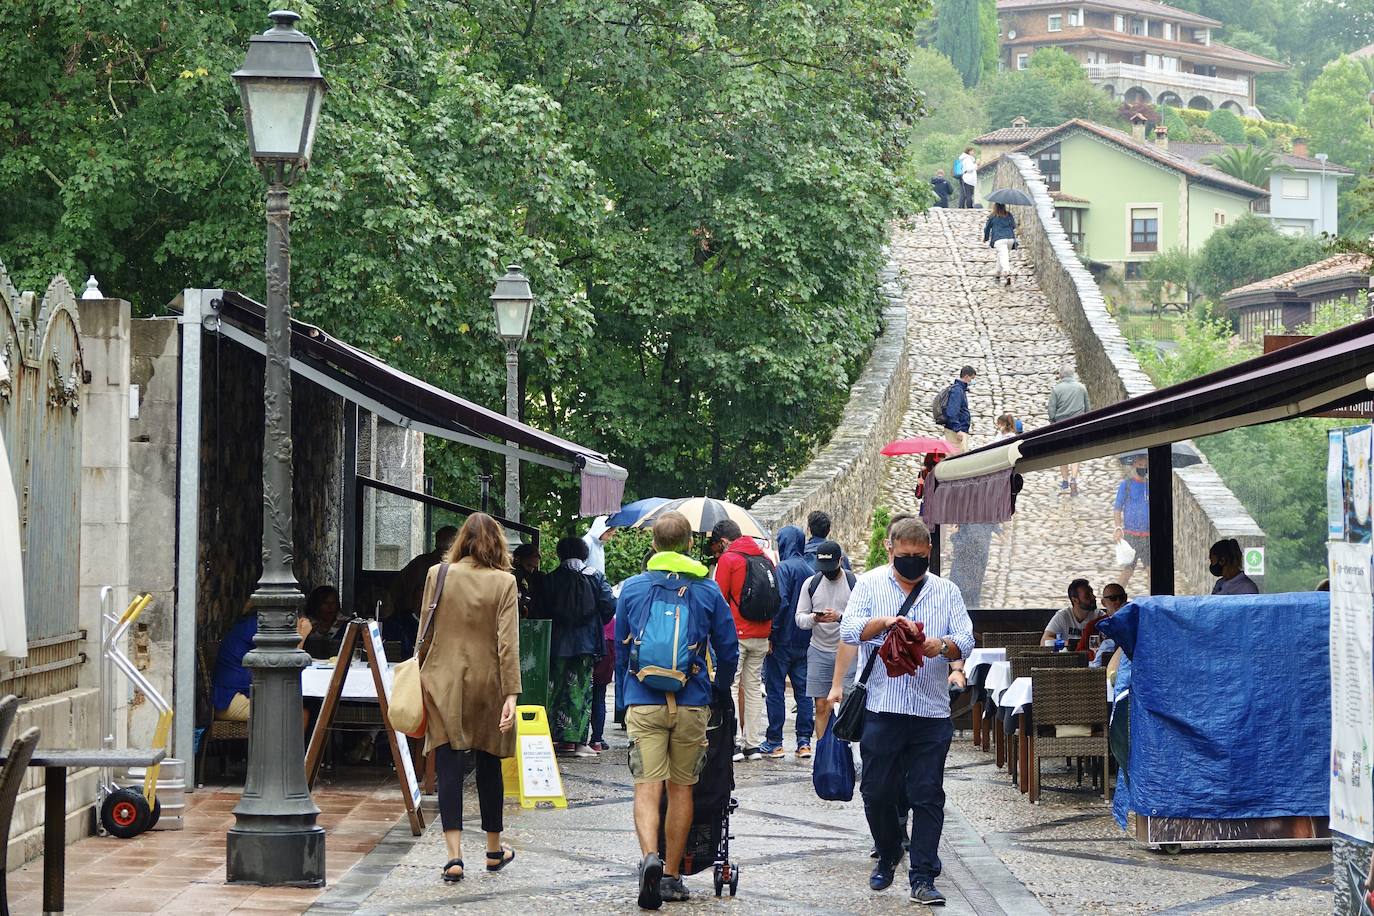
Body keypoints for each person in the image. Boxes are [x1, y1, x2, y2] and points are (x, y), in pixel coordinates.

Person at [839, 516, 974, 907]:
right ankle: (888, 851)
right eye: (905, 556)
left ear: (929, 552)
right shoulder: (869, 584)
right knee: (877, 791)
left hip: (931, 713)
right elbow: (848, 630)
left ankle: (924, 875)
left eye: (919, 556)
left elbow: (965, 638)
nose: (912, 561)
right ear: (890, 549)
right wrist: (883, 624)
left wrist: (943, 646)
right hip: (883, 708)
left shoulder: (946, 591)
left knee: (927, 793)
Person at [616, 511, 739, 910]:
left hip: (643, 698)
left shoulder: (633, 589)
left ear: (653, 545)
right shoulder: (707, 590)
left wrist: (623, 701)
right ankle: (670, 875)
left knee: (647, 787)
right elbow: (727, 647)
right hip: (691, 700)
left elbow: (620, 649)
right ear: (690, 544)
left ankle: (649, 855)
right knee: (682, 788)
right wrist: (719, 691)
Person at [418, 513, 521, 882]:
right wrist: (511, 694)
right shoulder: (505, 582)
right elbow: (508, 643)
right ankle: (493, 850)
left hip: (443, 680)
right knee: (489, 762)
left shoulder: (438, 574)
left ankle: (453, 857)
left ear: (461, 540)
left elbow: (423, 634)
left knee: (448, 762)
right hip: (488, 681)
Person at [710, 518, 775, 761]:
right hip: (762, 632)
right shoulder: (764, 558)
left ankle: (734, 743)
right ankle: (753, 745)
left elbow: (718, 599)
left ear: (725, 541)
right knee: (754, 688)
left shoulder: (729, 559)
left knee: (731, 685)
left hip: (737, 633)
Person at [545, 536, 616, 756]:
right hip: (586, 644)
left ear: (560, 553)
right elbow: (609, 605)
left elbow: (541, 607)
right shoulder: (596, 577)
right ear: (584, 553)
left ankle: (551, 738)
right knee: (581, 691)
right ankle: (579, 743)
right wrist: (594, 623)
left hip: (556, 644)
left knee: (554, 691)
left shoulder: (552, 578)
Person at [761, 526, 816, 759]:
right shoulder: (809, 568)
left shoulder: (782, 568)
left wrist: (771, 633)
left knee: (775, 690)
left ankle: (775, 741)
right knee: (803, 692)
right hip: (804, 639)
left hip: (782, 639)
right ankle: (804, 741)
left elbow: (781, 602)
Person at [212, 601, 311, 722]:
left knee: (301, 705)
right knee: (299, 714)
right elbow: (287, 665)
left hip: (241, 694)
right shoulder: (257, 627)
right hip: (231, 700)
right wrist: (302, 635)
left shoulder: (252, 623)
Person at [797, 540, 855, 740]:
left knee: (846, 706)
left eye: (831, 567)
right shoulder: (811, 583)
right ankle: (822, 752)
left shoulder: (854, 583)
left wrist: (839, 617)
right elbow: (800, 618)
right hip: (819, 650)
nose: (827, 572)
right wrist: (815, 618)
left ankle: (845, 752)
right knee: (821, 705)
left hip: (847, 651)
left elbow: (863, 621)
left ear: (840, 560)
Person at [391, 526, 459, 622]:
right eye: (440, 548)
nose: (442, 555)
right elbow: (398, 588)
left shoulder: (421, 562)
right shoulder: (420, 563)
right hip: (418, 618)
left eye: (446, 549)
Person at [1047, 366, 1090, 496]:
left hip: (1061, 426)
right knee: (1075, 453)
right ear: (1072, 375)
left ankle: (1065, 480)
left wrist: (1053, 421)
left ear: (1061, 376)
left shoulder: (1056, 389)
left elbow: (1051, 410)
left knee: (1062, 453)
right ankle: (1073, 479)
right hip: (1078, 425)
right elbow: (1088, 408)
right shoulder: (1082, 388)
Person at [1114, 455, 1150, 588]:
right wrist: (1118, 528)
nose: (1143, 468)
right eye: (1140, 465)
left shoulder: (1150, 486)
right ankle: (1115, 598)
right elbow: (1117, 508)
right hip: (1131, 536)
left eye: (1145, 466)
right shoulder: (1127, 485)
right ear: (1134, 464)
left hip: (1148, 537)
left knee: (1151, 572)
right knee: (1127, 572)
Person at [1042, 578, 1103, 645]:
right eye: (1087, 595)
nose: (1093, 597)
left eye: (1092, 593)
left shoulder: (1099, 616)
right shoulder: (1063, 616)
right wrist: (1068, 644)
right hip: (1068, 654)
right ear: (1075, 600)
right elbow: (1044, 640)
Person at [1077, 583, 1126, 664]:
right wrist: (1099, 654)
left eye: (1122, 597)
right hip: (1100, 669)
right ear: (1103, 603)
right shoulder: (1094, 625)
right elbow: (1080, 652)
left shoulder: (1135, 624)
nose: (1119, 601)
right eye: (1113, 598)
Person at [589, 616, 616, 752]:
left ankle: (576, 741)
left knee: (583, 694)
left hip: (590, 639)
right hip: (609, 640)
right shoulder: (607, 599)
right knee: (599, 695)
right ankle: (597, 739)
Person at [939, 366, 977, 455]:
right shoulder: (957, 390)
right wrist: (957, 430)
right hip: (956, 430)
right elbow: (952, 411)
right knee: (958, 456)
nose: (972, 381)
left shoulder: (960, 389)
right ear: (967, 376)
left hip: (959, 429)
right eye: (972, 378)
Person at [983, 202, 1017, 287]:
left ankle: (1007, 272)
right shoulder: (1009, 214)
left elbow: (987, 228)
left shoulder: (992, 216)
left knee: (1003, 255)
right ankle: (997, 274)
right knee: (1002, 255)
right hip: (1010, 239)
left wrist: (986, 238)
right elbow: (1013, 226)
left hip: (999, 239)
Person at [512, 542, 546, 619]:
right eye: (528, 565)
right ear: (518, 560)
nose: (531, 570)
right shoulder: (511, 577)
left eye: (534, 567)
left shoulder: (537, 578)